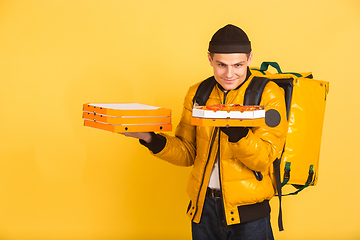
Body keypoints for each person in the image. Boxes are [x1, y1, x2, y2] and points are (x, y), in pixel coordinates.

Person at [121, 24, 288, 240]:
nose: (229, 74)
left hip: (250, 214)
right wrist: (149, 138)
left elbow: (264, 160)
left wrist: (238, 134)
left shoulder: (268, 93)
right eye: (221, 65)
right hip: (203, 209)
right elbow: (188, 152)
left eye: (238, 65)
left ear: (250, 58)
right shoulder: (198, 93)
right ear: (210, 59)